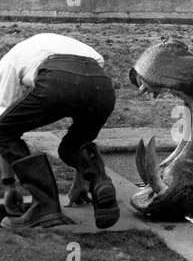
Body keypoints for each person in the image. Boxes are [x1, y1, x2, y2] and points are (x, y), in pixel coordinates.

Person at [0, 33, 120, 229]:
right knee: (73, 146)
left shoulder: (8, 63)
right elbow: (83, 88)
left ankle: (44, 204)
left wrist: (9, 185)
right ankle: (99, 181)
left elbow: (3, 127)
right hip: (101, 85)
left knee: (3, 130)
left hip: (57, 79)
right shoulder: (65, 45)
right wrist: (80, 182)